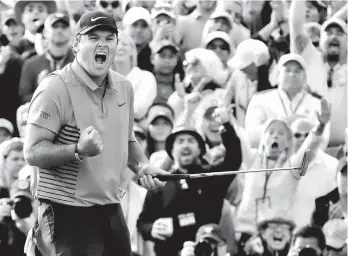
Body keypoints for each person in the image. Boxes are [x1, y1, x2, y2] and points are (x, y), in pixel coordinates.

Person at [23, 11, 167, 255]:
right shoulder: (55, 87)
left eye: (109, 38)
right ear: (77, 44)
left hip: (110, 207)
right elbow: (32, 151)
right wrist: (77, 150)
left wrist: (143, 165)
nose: (102, 44)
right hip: (65, 210)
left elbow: (127, 139)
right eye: (93, 37)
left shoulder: (124, 87)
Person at [19, 11, 75, 103]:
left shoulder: (82, 63)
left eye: (64, 26)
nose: (59, 30)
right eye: (55, 26)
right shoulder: (30, 64)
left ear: (71, 32)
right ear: (45, 32)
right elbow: (24, 97)